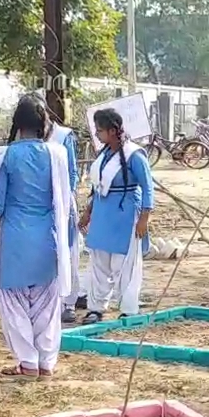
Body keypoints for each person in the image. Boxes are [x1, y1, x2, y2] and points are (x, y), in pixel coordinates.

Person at [0, 95, 76, 378]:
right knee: (47, 304)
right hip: (48, 237)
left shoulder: (6, 155)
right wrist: (69, 238)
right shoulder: (56, 153)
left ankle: (27, 361)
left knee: (13, 302)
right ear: (44, 124)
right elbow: (67, 198)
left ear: (17, 124)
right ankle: (46, 362)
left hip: (14, 237)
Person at [80, 107, 155, 324]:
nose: (97, 134)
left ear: (112, 131)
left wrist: (144, 218)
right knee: (99, 263)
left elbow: (147, 187)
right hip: (103, 214)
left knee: (125, 264)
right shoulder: (104, 154)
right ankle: (96, 307)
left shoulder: (134, 154)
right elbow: (98, 186)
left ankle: (128, 308)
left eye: (100, 130)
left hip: (125, 213)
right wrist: (88, 212)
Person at [48, 115, 89, 324]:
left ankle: (69, 303)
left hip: (62, 203)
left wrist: (63, 200)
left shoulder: (63, 136)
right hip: (40, 207)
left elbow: (72, 173)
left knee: (69, 253)